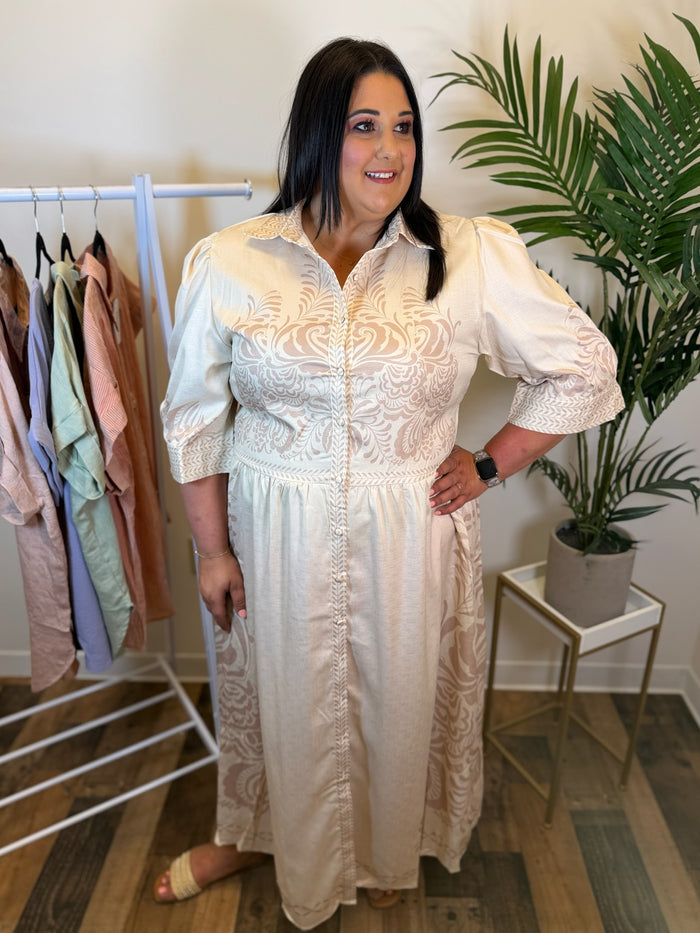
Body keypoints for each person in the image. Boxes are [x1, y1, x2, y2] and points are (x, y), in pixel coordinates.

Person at [157, 37, 624, 929]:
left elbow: (583, 368)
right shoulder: (232, 262)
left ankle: (383, 844)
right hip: (273, 527)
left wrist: (490, 462)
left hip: (412, 527)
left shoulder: (464, 256)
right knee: (282, 702)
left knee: (397, 704)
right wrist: (212, 548)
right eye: (364, 125)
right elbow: (194, 417)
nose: (389, 150)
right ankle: (261, 832)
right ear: (318, 136)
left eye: (404, 127)